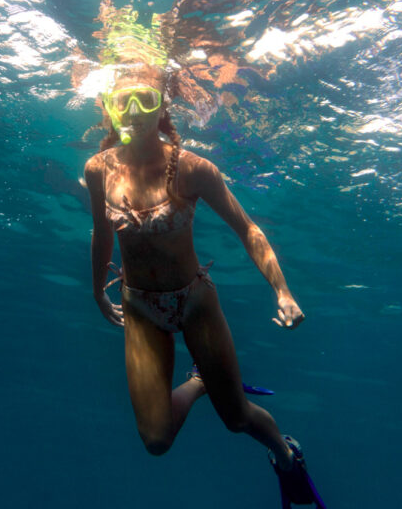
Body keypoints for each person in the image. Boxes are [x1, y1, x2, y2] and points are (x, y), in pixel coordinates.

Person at [84, 62, 325, 507]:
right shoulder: (99, 169)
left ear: (162, 109)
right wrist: (98, 289)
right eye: (122, 101)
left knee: (235, 419)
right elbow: (101, 232)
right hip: (139, 307)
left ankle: (285, 455)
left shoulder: (193, 169)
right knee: (155, 441)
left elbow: (248, 229)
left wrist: (283, 291)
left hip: (195, 301)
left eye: (146, 100)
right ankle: (198, 383)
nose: (134, 111)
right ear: (109, 110)